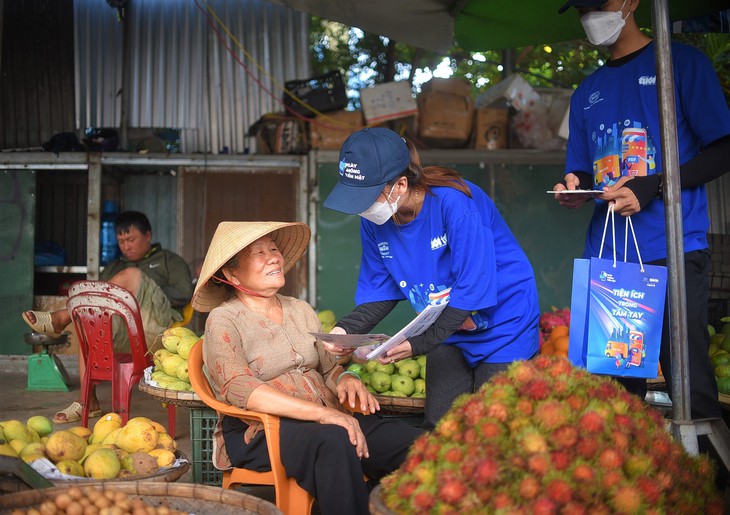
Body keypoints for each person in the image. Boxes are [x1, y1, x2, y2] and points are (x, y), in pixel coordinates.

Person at [553, 0, 730, 419]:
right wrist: (574, 187)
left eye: (599, 4)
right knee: (612, 398)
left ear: (631, 2)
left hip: (673, 249)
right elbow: (582, 168)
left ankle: (709, 478)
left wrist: (655, 186)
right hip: (611, 259)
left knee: (689, 387)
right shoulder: (586, 93)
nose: (591, 15)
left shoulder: (681, 65)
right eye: (582, 8)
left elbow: (723, 149)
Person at [191, 221, 422, 515]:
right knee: (333, 441)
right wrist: (322, 414)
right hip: (261, 431)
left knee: (410, 442)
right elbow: (240, 389)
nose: (274, 256)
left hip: (326, 420)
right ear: (231, 272)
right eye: (259, 253)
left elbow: (329, 370)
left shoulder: (300, 309)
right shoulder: (224, 319)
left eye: (274, 249)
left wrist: (347, 377)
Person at [322, 127, 540, 430]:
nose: (362, 208)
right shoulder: (376, 221)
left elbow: (472, 290)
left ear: (399, 185)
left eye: (366, 198)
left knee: (494, 429)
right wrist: (345, 331)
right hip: (447, 328)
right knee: (441, 426)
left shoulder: (455, 203)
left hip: (503, 324)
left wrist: (416, 343)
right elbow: (381, 291)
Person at [22, 211, 194, 423]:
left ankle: (63, 317)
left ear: (148, 236)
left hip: (157, 328)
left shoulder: (169, 261)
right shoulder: (115, 267)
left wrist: (143, 289)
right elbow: (98, 302)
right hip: (125, 330)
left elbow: (184, 294)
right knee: (90, 322)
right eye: (121, 241)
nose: (126, 246)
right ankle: (88, 401)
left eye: (131, 239)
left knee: (133, 275)